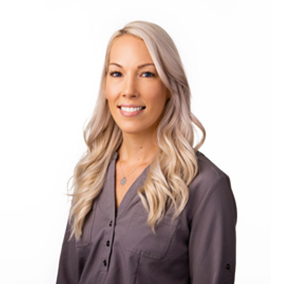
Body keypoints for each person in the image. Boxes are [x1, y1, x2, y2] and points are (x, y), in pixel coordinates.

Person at [56, 21, 237, 284]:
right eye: (117, 74)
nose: (128, 90)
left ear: (170, 87)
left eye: (147, 74)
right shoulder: (91, 174)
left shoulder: (205, 187)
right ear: (105, 87)